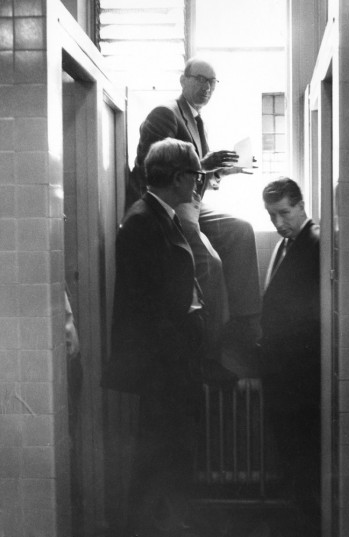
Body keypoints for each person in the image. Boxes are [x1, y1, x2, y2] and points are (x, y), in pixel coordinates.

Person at [102, 138, 235, 536]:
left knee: (172, 455)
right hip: (164, 368)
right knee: (158, 457)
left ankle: (167, 524)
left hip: (174, 363)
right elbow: (145, 308)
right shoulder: (143, 221)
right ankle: (150, 528)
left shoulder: (163, 216)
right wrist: (185, 347)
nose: (199, 184)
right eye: (196, 176)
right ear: (178, 177)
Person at [128, 57, 261, 374]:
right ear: (182, 80)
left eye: (212, 82)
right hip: (172, 207)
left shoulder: (197, 122)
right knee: (211, 264)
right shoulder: (165, 115)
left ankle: (244, 328)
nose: (206, 87)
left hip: (193, 203)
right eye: (200, 79)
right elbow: (155, 167)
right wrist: (204, 163)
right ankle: (211, 353)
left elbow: (200, 173)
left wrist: (222, 171)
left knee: (242, 230)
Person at [260, 178, 320, 535]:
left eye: (284, 212)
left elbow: (310, 318)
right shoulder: (291, 242)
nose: (278, 223)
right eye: (271, 215)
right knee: (290, 453)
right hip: (284, 370)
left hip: (298, 375)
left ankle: (305, 524)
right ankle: (299, 518)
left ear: (300, 205)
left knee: (300, 455)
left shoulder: (312, 243)